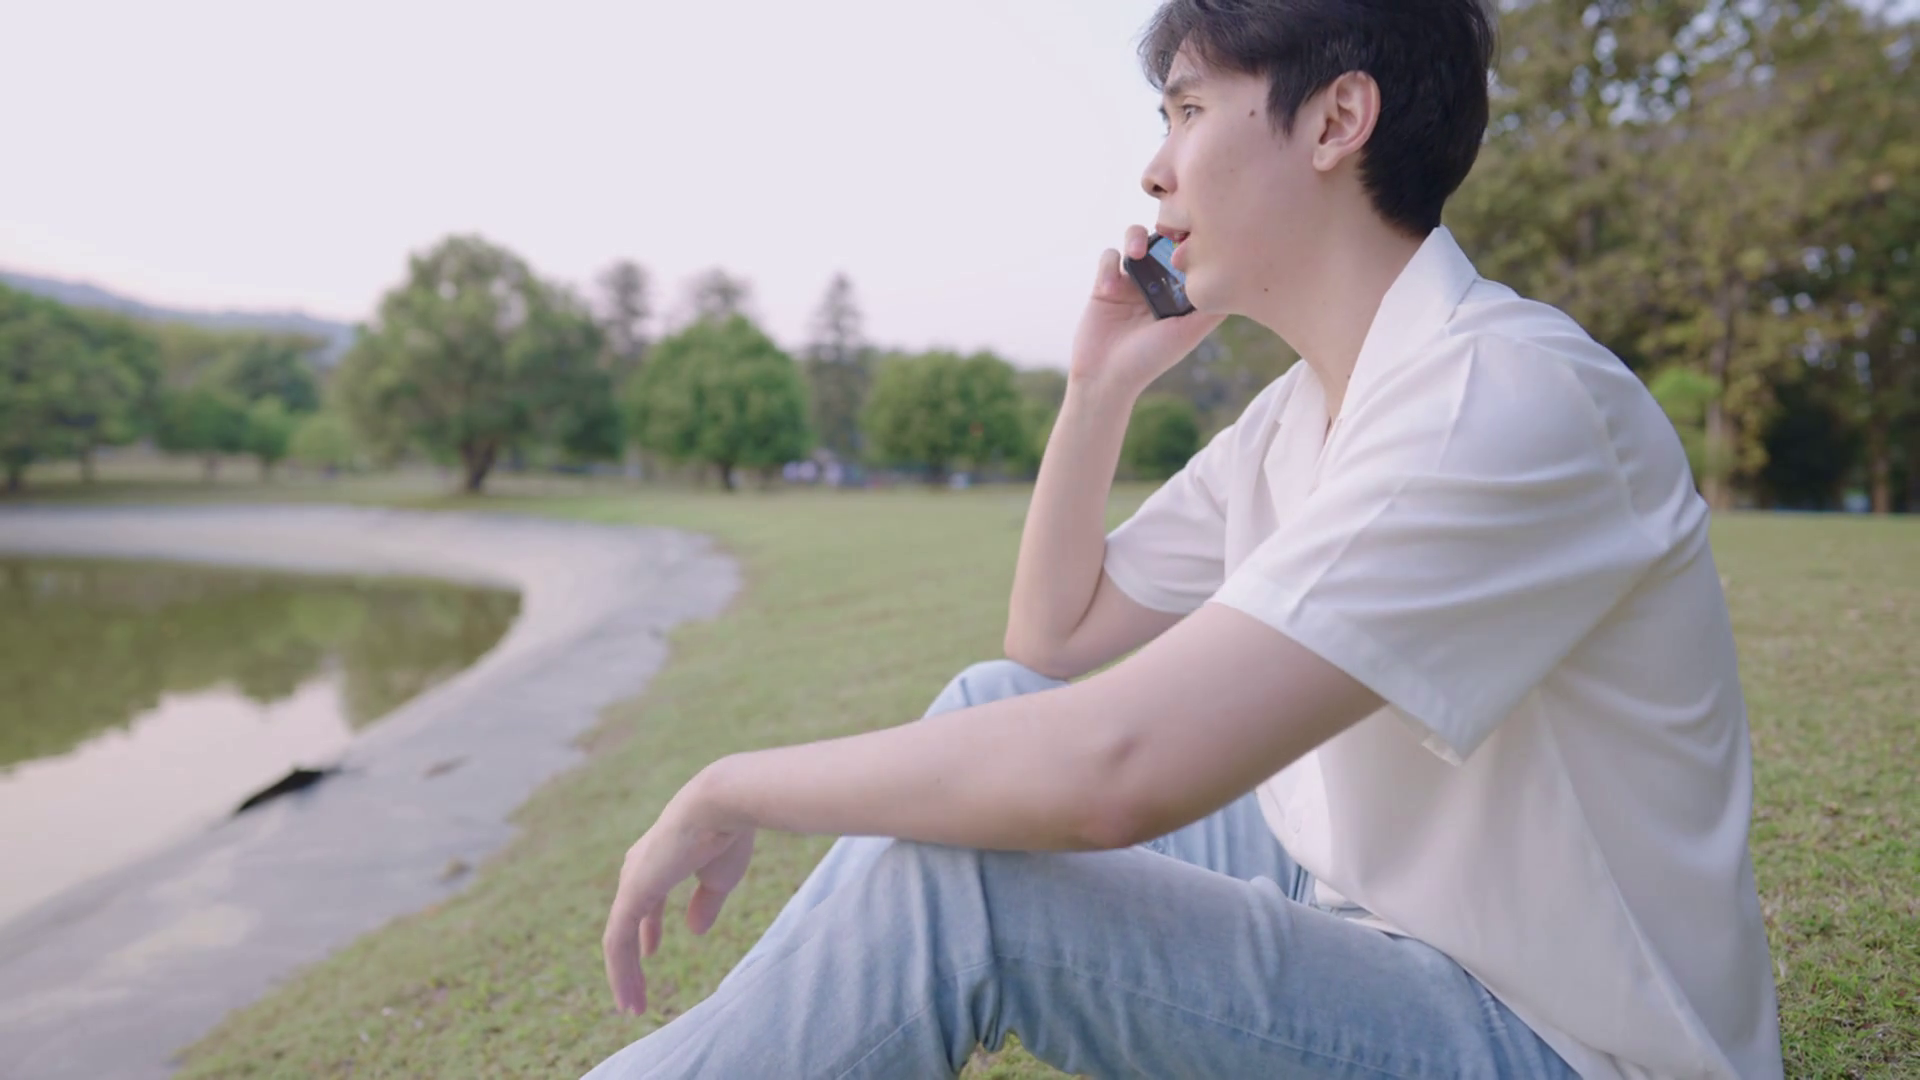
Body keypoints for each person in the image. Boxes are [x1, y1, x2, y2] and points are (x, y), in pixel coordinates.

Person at [583, 1, 1783, 1076]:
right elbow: (1051, 638)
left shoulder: (1503, 399)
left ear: (1337, 120)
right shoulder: (1305, 412)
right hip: (1364, 896)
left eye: (1190, 111)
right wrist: (1098, 389)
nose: (1156, 170)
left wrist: (729, 785)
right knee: (988, 704)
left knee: (977, 883)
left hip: (1548, 1035)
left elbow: (1117, 771)